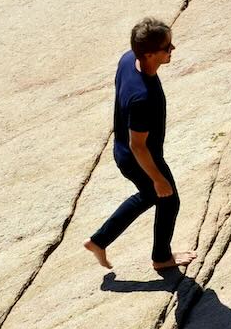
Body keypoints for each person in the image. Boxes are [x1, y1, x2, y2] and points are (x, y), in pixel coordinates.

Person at [84, 18, 197, 272]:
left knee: (152, 197)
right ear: (149, 54)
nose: (173, 49)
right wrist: (157, 177)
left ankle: (99, 241)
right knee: (167, 198)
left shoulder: (127, 60)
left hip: (124, 150)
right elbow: (139, 146)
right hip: (139, 157)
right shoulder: (142, 98)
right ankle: (161, 258)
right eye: (167, 47)